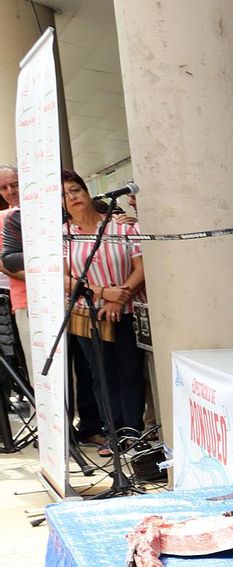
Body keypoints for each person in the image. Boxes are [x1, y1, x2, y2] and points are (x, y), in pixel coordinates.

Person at [62, 169, 146, 453]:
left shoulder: (122, 228)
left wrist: (119, 297)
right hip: (89, 314)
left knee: (130, 372)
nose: (72, 197)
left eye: (75, 190)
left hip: (126, 309)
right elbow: (62, 278)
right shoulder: (63, 236)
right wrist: (101, 292)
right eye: (64, 195)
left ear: (87, 192)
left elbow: (141, 266)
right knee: (101, 376)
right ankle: (112, 432)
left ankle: (133, 431)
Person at [1, 164, 32, 380]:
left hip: (68, 297)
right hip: (25, 301)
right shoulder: (3, 217)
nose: (10, 191)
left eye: (15, 184)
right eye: (3, 188)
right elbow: (3, 264)